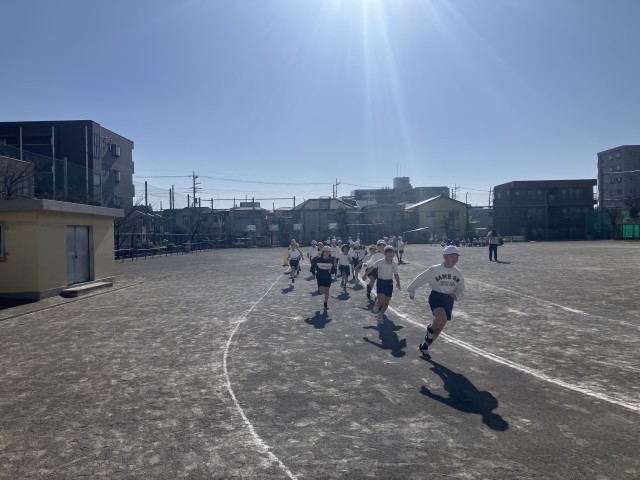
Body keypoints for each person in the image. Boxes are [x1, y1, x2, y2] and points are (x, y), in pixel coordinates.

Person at [407, 245, 465, 359]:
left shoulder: (458, 273)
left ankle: (425, 346)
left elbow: (461, 289)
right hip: (436, 296)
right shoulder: (434, 269)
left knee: (440, 326)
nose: (455, 259)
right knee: (441, 317)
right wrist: (412, 290)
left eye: (456, 257)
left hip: (449, 299)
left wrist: (456, 295)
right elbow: (421, 278)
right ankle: (430, 329)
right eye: (452, 256)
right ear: (445, 257)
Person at [365, 245, 401, 325]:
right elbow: (371, 268)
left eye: (393, 252)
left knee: (386, 303)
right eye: (389, 252)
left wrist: (398, 283)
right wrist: (365, 275)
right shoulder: (380, 262)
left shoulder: (395, 264)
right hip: (381, 282)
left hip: (389, 283)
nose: (391, 254)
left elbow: (396, 274)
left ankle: (380, 315)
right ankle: (378, 304)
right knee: (382, 302)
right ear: (385, 254)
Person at [310, 245, 336, 310]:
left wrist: (331, 270)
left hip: (327, 276)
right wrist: (313, 274)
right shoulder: (318, 259)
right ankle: (320, 291)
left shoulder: (331, 260)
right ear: (323, 252)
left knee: (327, 290)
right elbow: (313, 266)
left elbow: (333, 270)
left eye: (328, 251)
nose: (327, 253)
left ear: (330, 252)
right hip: (320, 276)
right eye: (325, 251)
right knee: (322, 291)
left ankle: (325, 303)